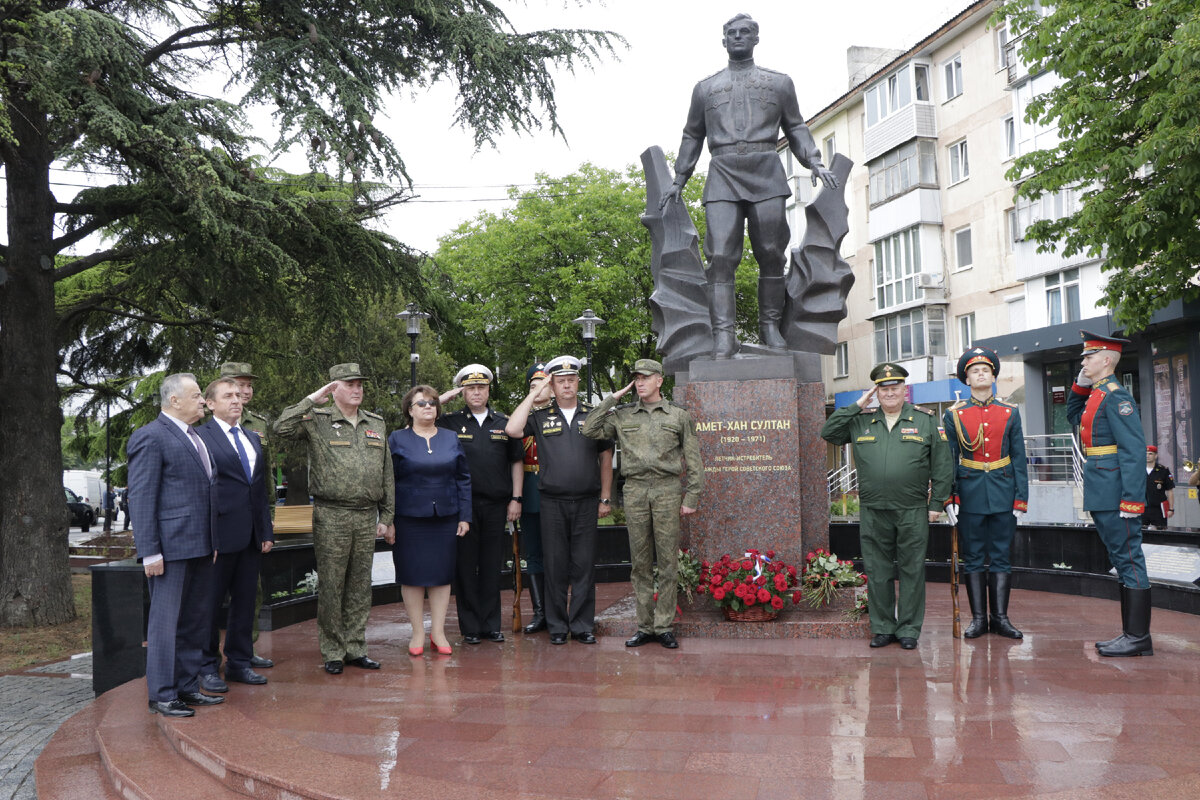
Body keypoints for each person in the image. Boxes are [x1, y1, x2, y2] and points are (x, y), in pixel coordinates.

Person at [661, 13, 838, 358]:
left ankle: (770, 326)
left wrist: (814, 161)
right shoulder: (705, 88)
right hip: (723, 172)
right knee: (722, 256)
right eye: (732, 33)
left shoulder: (779, 83)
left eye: (745, 32)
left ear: (756, 39)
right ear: (723, 40)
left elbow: (796, 127)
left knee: (771, 253)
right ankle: (724, 335)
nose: (738, 37)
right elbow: (692, 134)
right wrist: (679, 178)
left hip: (766, 169)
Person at [820, 363, 953, 650]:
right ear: (876, 393)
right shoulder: (861, 421)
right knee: (877, 570)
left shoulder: (925, 420)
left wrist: (937, 503)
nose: (890, 393)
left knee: (912, 570)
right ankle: (882, 627)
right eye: (883, 389)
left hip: (912, 509)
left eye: (895, 388)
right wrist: (857, 404)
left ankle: (908, 629)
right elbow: (828, 432)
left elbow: (942, 465)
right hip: (874, 509)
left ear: (905, 390)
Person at [273, 363, 394, 674]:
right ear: (334, 388)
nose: (357, 390)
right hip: (332, 514)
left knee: (359, 585)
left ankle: (356, 647)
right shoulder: (317, 420)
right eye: (349, 384)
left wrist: (388, 513)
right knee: (332, 585)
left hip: (366, 515)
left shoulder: (376, 423)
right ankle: (333, 650)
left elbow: (386, 472)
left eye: (360, 385)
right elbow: (281, 428)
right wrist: (312, 399)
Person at [580, 358, 704, 650]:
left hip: (667, 490)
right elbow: (588, 430)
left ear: (660, 380)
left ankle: (663, 626)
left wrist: (692, 496)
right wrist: (613, 397)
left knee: (668, 562)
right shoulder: (622, 416)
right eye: (636, 378)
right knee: (640, 563)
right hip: (635, 490)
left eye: (645, 377)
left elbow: (694, 459)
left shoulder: (678, 415)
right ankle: (645, 626)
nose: (640, 382)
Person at [127, 372, 222, 717]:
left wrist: (212, 541)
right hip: (168, 550)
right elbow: (141, 498)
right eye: (197, 395)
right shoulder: (150, 437)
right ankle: (162, 694)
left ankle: (185, 686)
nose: (202, 400)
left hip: (200, 547)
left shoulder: (196, 437)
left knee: (194, 622)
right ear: (174, 401)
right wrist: (150, 551)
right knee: (165, 624)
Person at [506, 355, 614, 645]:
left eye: (571, 380)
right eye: (560, 381)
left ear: (578, 382)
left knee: (583, 565)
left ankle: (581, 625)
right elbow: (512, 430)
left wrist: (605, 498)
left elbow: (606, 457)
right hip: (551, 502)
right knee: (554, 566)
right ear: (551, 386)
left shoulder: (593, 415)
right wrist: (533, 394)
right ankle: (556, 626)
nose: (566, 385)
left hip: (587, 500)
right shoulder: (540, 417)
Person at [1067, 331, 1153, 657]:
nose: (1083, 361)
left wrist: (1132, 500)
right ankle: (1130, 634)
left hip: (1116, 491)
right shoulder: (1097, 394)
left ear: (1106, 360)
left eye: (1088, 357)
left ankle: (1138, 637)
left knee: (1129, 559)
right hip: (1102, 487)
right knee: (1121, 559)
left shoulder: (1117, 397)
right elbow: (1073, 416)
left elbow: (1133, 450)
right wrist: (1079, 384)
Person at [942, 347, 1029, 640]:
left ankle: (1001, 619)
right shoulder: (954, 415)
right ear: (966, 380)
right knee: (975, 556)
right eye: (974, 371)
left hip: (1004, 490)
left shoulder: (1010, 412)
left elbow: (1019, 457)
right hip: (969, 491)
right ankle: (979, 619)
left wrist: (1021, 497)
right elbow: (949, 459)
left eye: (985, 370)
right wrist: (950, 497)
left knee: (1002, 556)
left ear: (994, 377)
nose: (981, 374)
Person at [195, 378, 274, 692]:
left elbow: (258, 490)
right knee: (210, 604)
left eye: (239, 396)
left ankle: (240, 662)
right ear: (210, 403)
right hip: (217, 537)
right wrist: (207, 536)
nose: (237, 400)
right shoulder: (201, 437)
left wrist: (265, 531)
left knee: (245, 602)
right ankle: (206, 666)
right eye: (228, 396)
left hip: (250, 536)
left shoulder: (252, 438)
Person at [436, 365, 522, 645]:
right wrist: (442, 398)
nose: (476, 392)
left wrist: (516, 498)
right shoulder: (449, 421)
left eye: (481, 387)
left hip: (498, 505)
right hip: (463, 506)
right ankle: (470, 627)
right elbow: (417, 414)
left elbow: (516, 462)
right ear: (462, 391)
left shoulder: (503, 422)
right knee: (465, 566)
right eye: (470, 388)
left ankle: (491, 625)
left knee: (491, 567)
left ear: (488, 390)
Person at [389, 385, 471, 656]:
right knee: (412, 576)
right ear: (409, 410)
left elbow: (463, 478)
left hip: (445, 517)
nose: (428, 407)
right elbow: (388, 481)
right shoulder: (397, 439)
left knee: (441, 575)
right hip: (409, 518)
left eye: (432, 403)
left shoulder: (450, 437)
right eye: (421, 403)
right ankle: (417, 633)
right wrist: (387, 518)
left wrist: (464, 516)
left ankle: (438, 632)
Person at [218, 361, 276, 670]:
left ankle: (245, 648)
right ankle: (209, 655)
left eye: (249, 385)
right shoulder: (208, 424)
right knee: (213, 593)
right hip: (223, 522)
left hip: (253, 520)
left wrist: (268, 520)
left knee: (251, 592)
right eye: (238, 385)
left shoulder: (259, 424)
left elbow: (266, 475)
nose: (245, 391)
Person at [519, 362, 549, 634]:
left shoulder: (558, 416)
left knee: (559, 554)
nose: (538, 390)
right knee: (534, 554)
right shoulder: (523, 418)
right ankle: (539, 612)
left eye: (543, 384)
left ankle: (556, 611)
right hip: (529, 492)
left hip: (556, 492)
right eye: (533, 386)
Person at [1144, 446, 1175, 528]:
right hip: (1142, 508)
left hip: (1158, 509)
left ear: (1156, 456)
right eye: (1145, 454)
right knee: (1141, 534)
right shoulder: (1138, 470)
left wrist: (1171, 509)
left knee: (1161, 533)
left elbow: (1170, 491)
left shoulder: (1163, 470)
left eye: (1150, 454)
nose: (1147, 456)